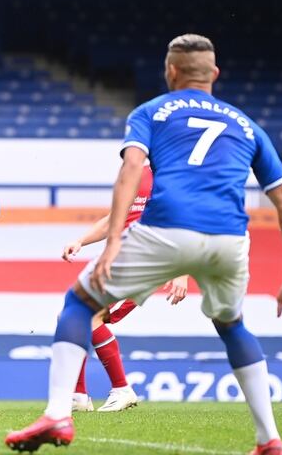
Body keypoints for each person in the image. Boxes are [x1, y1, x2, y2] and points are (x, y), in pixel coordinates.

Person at [5, 34, 282, 455]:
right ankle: (270, 440)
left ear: (170, 71)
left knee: (78, 304)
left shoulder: (152, 111)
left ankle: (59, 412)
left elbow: (132, 168)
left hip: (166, 228)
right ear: (214, 75)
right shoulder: (246, 124)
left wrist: (112, 244)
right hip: (230, 239)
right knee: (233, 325)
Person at [61, 164, 189, 413]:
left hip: (146, 260)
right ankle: (78, 395)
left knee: (88, 315)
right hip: (118, 256)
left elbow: (187, 222)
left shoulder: (175, 174)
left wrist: (182, 272)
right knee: (68, 317)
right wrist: (80, 241)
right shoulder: (137, 172)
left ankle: (121, 389)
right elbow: (114, 220)